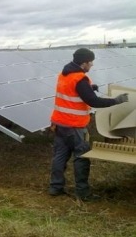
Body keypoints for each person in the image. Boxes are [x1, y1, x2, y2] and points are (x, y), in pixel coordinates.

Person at [49, 48, 129, 202]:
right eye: (90, 62)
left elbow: (71, 92)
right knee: (82, 157)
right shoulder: (80, 79)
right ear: (84, 63)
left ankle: (55, 187)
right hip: (75, 126)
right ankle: (83, 193)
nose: (92, 64)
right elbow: (93, 101)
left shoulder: (64, 74)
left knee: (59, 156)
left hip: (60, 123)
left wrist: (89, 89)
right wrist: (115, 101)